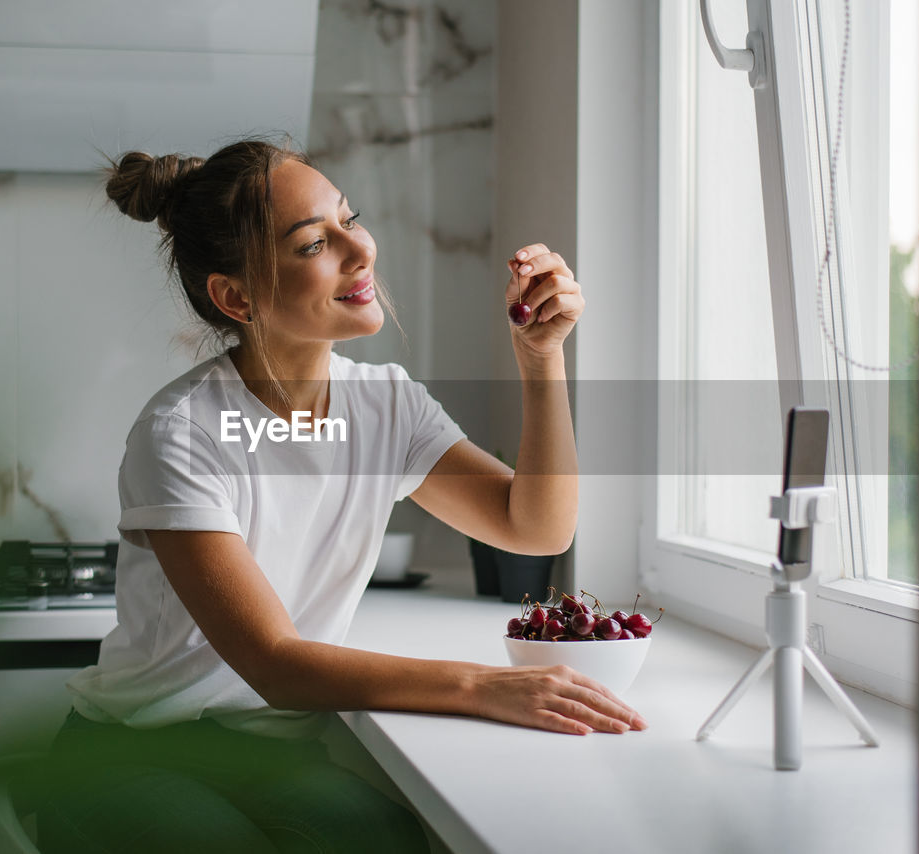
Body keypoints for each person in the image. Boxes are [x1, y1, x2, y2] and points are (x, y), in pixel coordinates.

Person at [36, 138, 647, 854]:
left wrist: (542, 361)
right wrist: (481, 687)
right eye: (311, 245)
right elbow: (274, 661)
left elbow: (536, 528)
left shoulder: (385, 405)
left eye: (349, 219)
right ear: (236, 297)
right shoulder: (181, 433)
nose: (359, 251)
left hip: (267, 759)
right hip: (130, 755)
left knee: (390, 843)